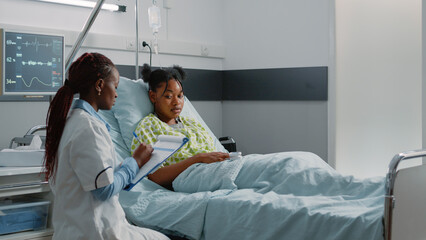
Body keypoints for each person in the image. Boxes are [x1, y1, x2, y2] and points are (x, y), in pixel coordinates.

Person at [44, 53, 169, 240]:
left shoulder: (71, 121)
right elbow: (104, 190)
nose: (117, 94)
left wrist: (126, 168)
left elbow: (94, 175)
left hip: (74, 230)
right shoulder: (88, 128)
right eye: (115, 87)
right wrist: (135, 162)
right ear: (100, 85)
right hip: (95, 232)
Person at [131, 64, 229, 189]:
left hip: (220, 168)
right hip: (194, 177)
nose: (177, 102)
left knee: (258, 164)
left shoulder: (192, 124)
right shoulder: (148, 127)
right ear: (153, 96)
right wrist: (198, 159)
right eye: (169, 96)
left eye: (180, 96)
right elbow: (155, 176)